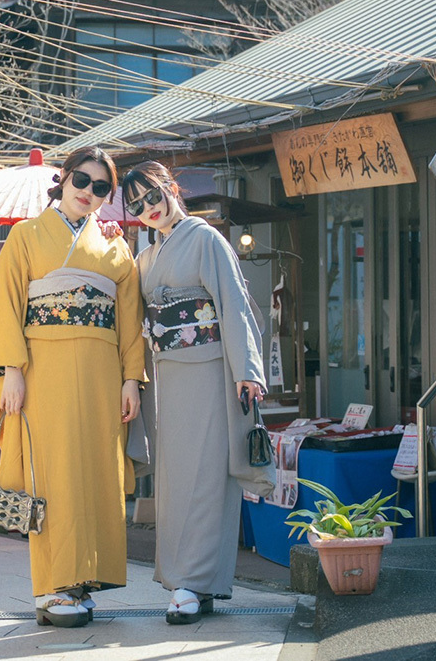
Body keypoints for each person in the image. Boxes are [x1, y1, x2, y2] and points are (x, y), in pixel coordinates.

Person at [0, 146, 145, 628]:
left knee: (96, 472)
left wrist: (131, 378)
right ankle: (52, 589)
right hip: (42, 370)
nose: (88, 192)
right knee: (51, 476)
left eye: (101, 188)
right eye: (81, 180)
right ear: (64, 177)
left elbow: (129, 318)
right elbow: (6, 303)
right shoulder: (26, 235)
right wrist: (11, 370)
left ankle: (84, 581)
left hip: (101, 374)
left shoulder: (116, 247)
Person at [121, 161, 274, 625]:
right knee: (174, 483)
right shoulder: (146, 257)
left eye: (154, 195)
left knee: (207, 478)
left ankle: (191, 582)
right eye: (137, 205)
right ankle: (190, 583)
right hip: (166, 375)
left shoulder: (206, 239)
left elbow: (233, 304)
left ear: (172, 189)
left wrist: (247, 370)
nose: (149, 208)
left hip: (209, 371)